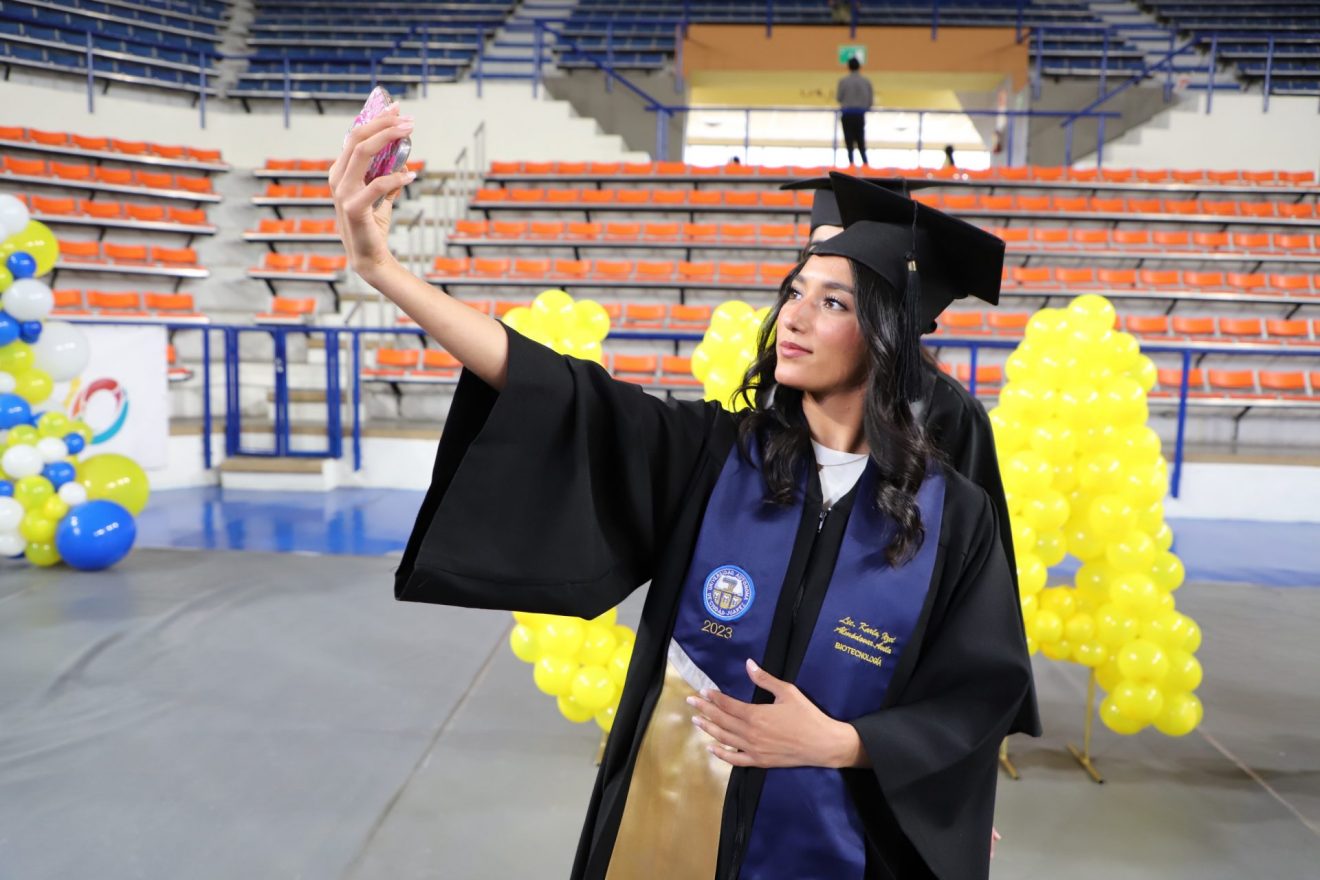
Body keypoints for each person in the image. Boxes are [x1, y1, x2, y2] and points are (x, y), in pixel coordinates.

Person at [332, 106, 1036, 880]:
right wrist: (385, 270)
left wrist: (845, 744)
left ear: (887, 337)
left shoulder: (954, 516)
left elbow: (975, 694)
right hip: (670, 814)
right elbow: (561, 389)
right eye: (795, 291)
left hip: (844, 841)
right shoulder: (716, 455)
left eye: (832, 302)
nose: (793, 317)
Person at [780, 173, 1041, 744]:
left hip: (876, 661)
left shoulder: (949, 409)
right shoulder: (787, 389)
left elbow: (969, 569)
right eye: (813, 258)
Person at [836, 57, 873, 167]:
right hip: (859, 115)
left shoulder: (843, 81)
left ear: (848, 67)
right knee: (860, 140)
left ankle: (851, 164)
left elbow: (839, 98)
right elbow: (870, 101)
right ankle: (865, 164)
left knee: (849, 141)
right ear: (859, 67)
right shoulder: (866, 82)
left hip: (847, 115)